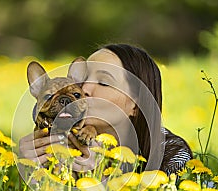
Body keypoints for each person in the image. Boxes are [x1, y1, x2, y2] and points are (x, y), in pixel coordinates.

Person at [19, 43, 192, 175]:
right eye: (81, 80)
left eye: (103, 82)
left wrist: (98, 183)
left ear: (135, 105)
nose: (83, 88)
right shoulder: (60, 133)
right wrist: (30, 172)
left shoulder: (171, 153)